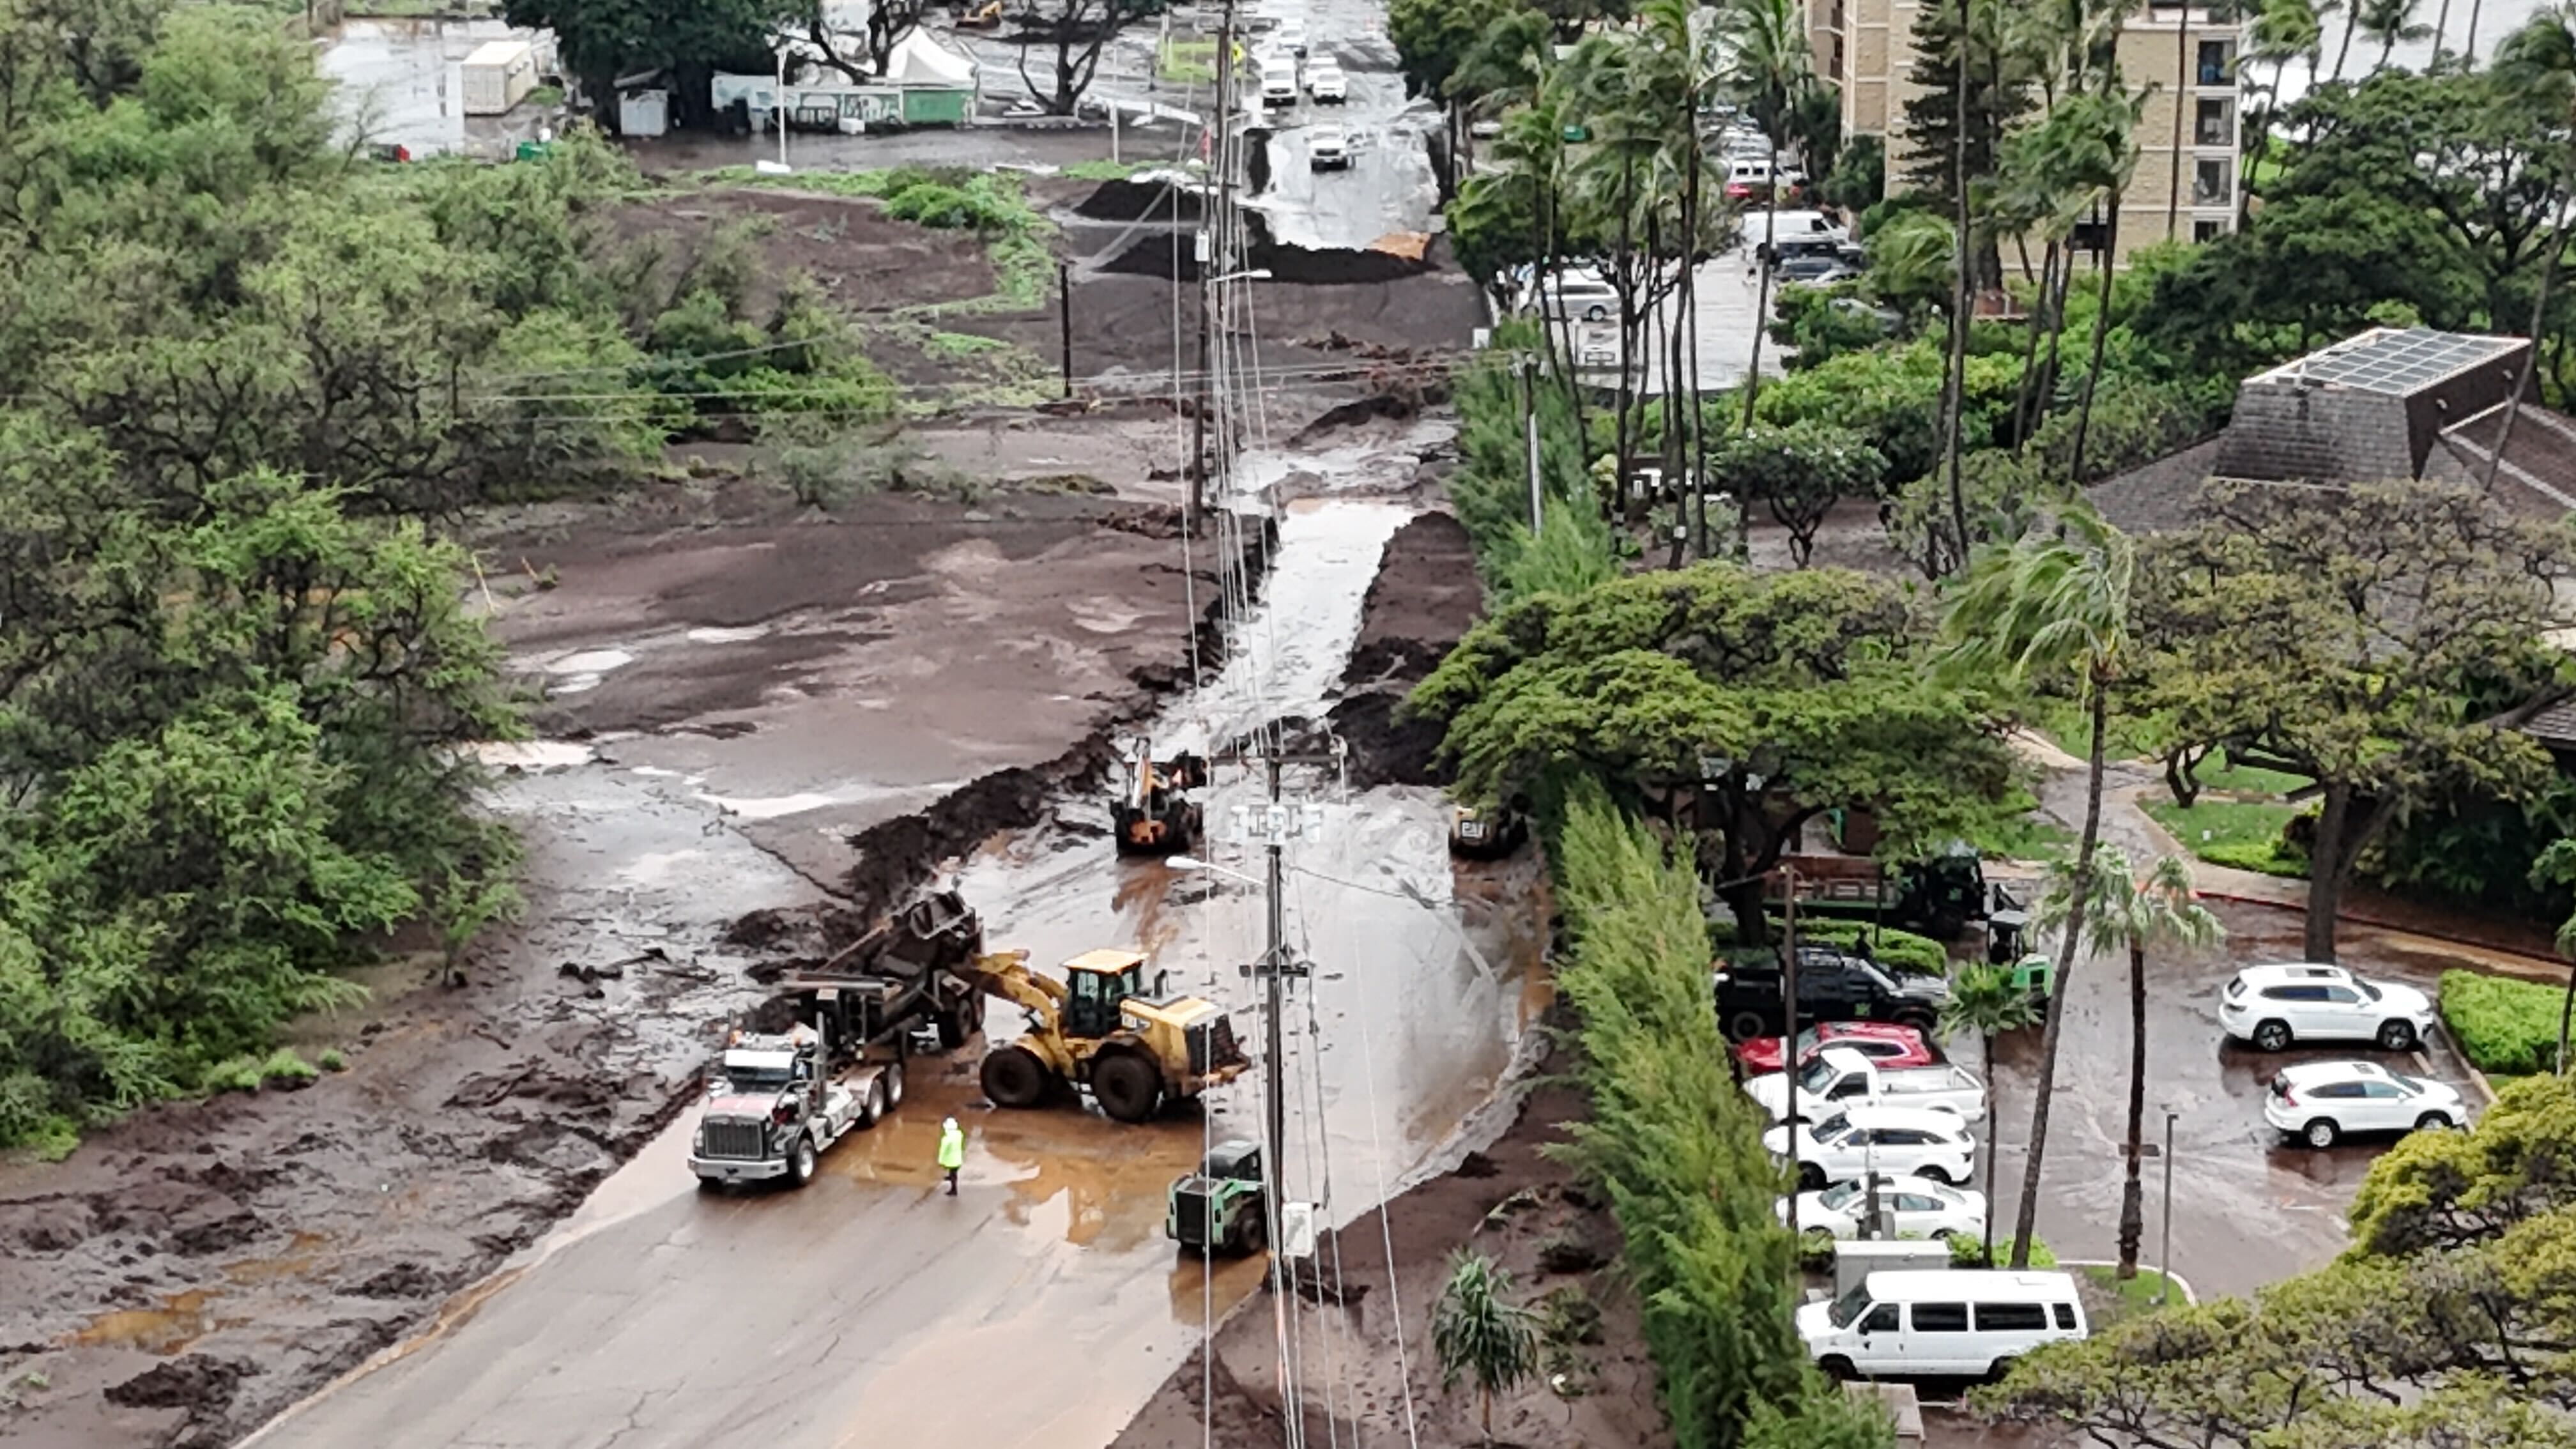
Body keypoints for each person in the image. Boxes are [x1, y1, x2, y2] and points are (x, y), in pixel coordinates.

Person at [937, 1117, 965, 1195]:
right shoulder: (959, 1134)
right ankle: (951, 1179)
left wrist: (941, 1160)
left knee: (953, 1174)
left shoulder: (947, 1138)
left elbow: (943, 1151)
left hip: (951, 1159)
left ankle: (954, 1190)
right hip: (958, 1157)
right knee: (954, 1172)